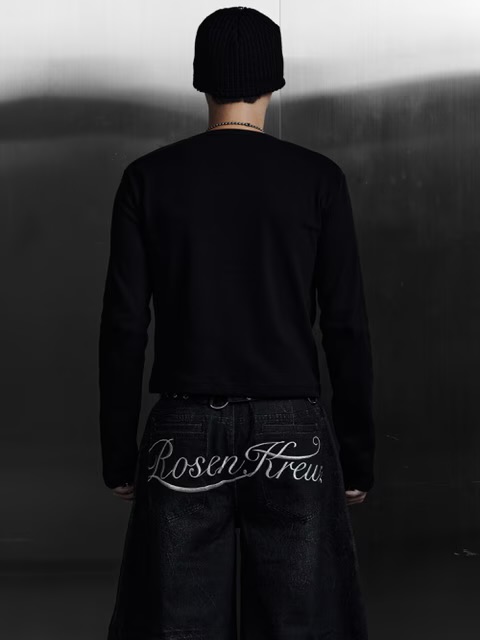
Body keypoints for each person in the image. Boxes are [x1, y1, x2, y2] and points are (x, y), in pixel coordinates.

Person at [99, 6, 375, 639]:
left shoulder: (147, 179)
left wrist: (119, 455)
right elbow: (346, 327)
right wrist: (356, 458)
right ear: (275, 80)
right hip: (293, 434)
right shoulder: (318, 179)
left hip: (183, 432)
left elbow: (124, 326)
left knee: (177, 627)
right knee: (302, 627)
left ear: (202, 80)